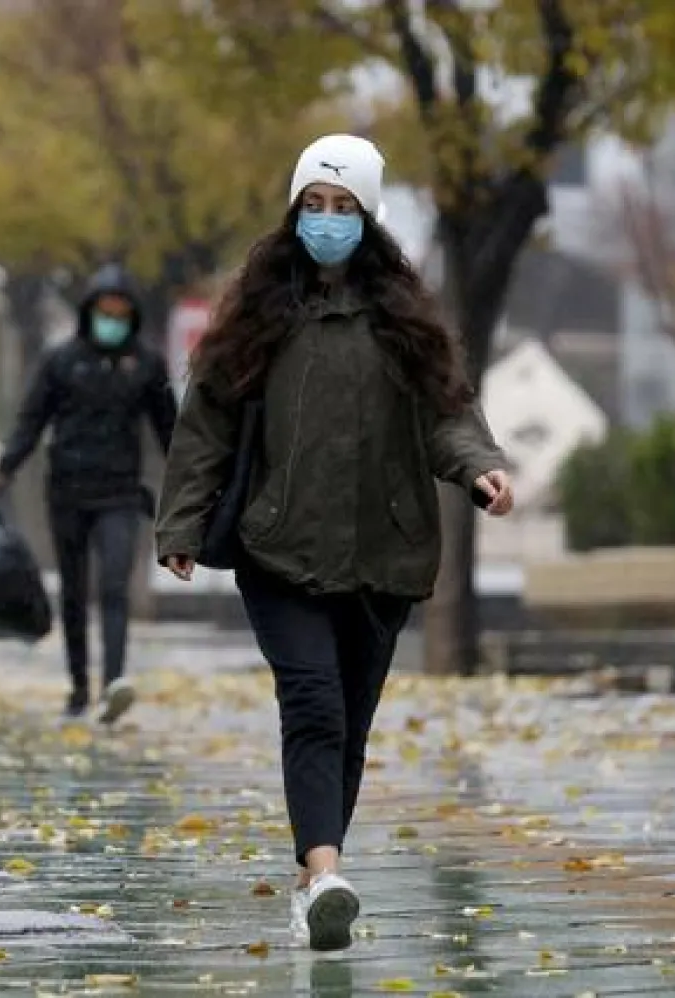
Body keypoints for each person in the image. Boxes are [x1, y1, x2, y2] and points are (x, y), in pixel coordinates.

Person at [155, 134, 514, 950]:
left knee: (349, 722)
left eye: (342, 207)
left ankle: (319, 875)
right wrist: (181, 523)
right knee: (312, 704)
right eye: (313, 206)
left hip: (380, 556)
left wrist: (480, 469)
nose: (326, 222)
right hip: (277, 549)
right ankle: (324, 871)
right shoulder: (256, 316)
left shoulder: (405, 321)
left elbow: (448, 415)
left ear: (368, 217)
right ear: (293, 213)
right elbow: (204, 425)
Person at [0, 265, 177, 724]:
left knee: (114, 585)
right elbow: (31, 421)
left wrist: (195, 480)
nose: (112, 318)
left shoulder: (146, 364)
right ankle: (78, 685)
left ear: (132, 315)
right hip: (67, 491)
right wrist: (3, 469)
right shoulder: (61, 361)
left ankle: (113, 685)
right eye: (105, 309)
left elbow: (170, 429)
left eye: (120, 311)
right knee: (73, 592)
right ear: (90, 311)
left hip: (121, 493)